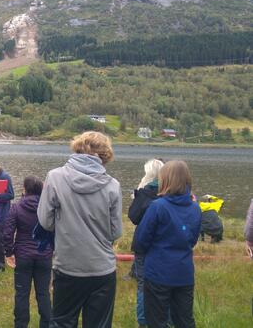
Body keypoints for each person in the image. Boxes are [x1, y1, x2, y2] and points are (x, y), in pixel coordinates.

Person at [38, 131, 122, 328]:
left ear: (77, 147)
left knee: (62, 322)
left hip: (68, 266)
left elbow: (45, 221)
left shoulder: (55, 177)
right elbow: (115, 231)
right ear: (105, 154)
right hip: (102, 268)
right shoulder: (112, 185)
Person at [135, 160, 202, 328]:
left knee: (156, 320)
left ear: (165, 179)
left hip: (158, 272)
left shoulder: (157, 206)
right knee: (184, 319)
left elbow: (141, 240)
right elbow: (192, 240)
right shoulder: (195, 208)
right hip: (184, 272)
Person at [3, 176, 52, 328]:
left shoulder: (16, 207)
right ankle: (47, 323)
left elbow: (8, 232)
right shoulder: (48, 208)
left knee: (22, 294)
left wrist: (9, 252)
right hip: (44, 255)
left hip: (23, 255)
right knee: (43, 293)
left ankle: (20, 324)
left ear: (25, 190)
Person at [128, 158, 164, 327]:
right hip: (164, 244)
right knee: (165, 283)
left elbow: (133, 217)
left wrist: (138, 195)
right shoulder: (170, 192)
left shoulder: (144, 192)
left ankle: (143, 321)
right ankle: (165, 320)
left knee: (143, 283)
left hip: (144, 243)